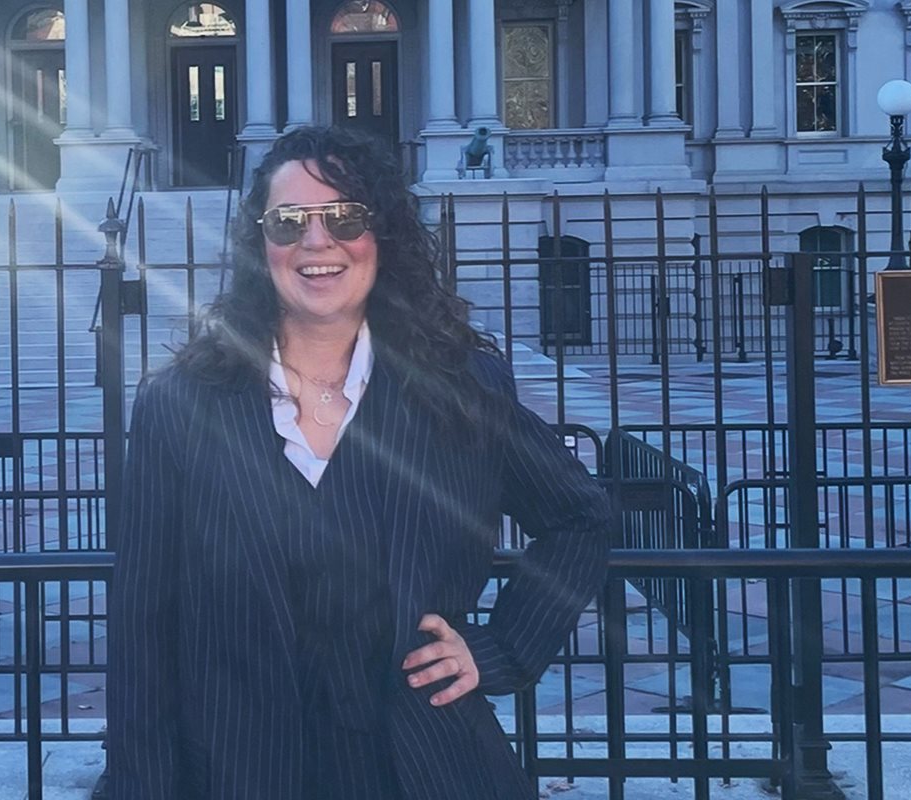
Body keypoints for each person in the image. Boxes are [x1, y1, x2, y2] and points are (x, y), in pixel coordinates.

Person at [107, 125, 611, 799]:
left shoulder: (461, 390)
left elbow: (582, 515)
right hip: (235, 770)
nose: (317, 242)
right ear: (262, 245)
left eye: (345, 217)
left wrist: (502, 650)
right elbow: (142, 633)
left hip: (423, 767)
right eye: (289, 222)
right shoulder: (179, 406)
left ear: (385, 236)